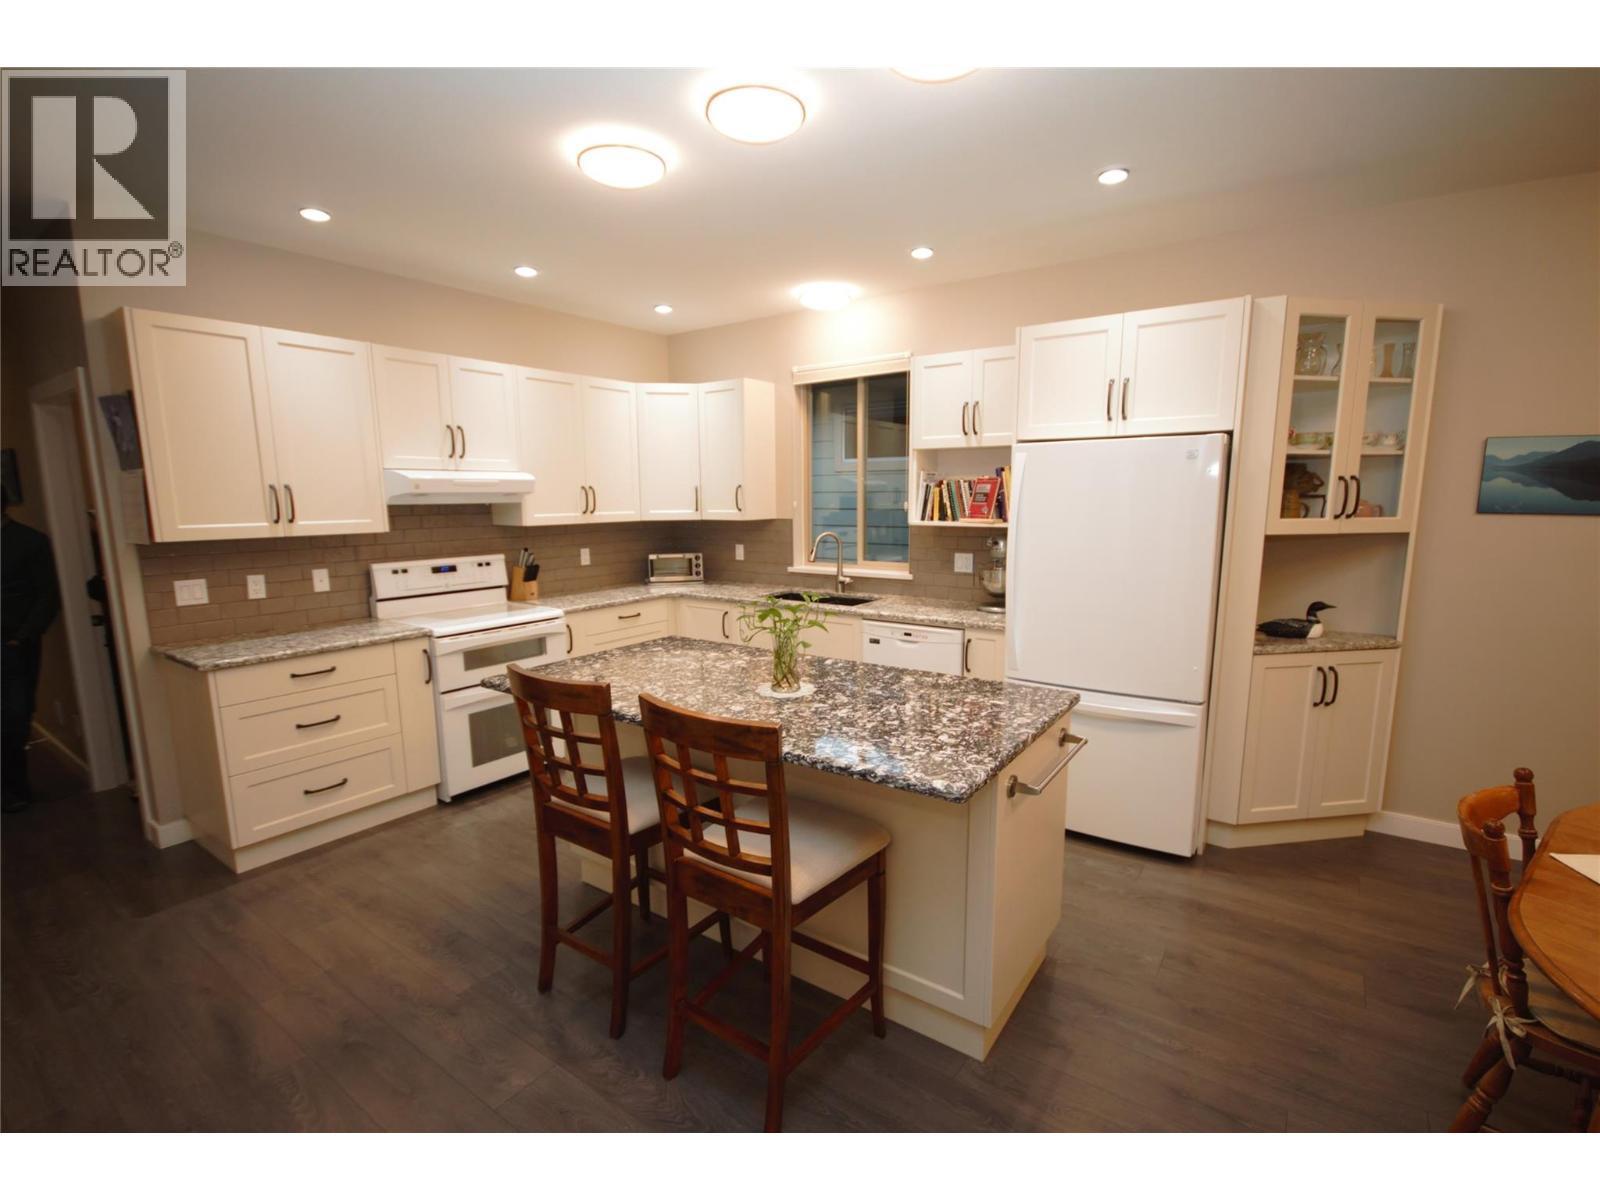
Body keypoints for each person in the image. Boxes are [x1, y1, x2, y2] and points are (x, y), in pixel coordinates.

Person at [2, 495, 61, 812]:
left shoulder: (30, 542)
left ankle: (15, 790)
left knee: (15, 716)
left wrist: (21, 636)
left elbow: (48, 595)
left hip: (13, 645)